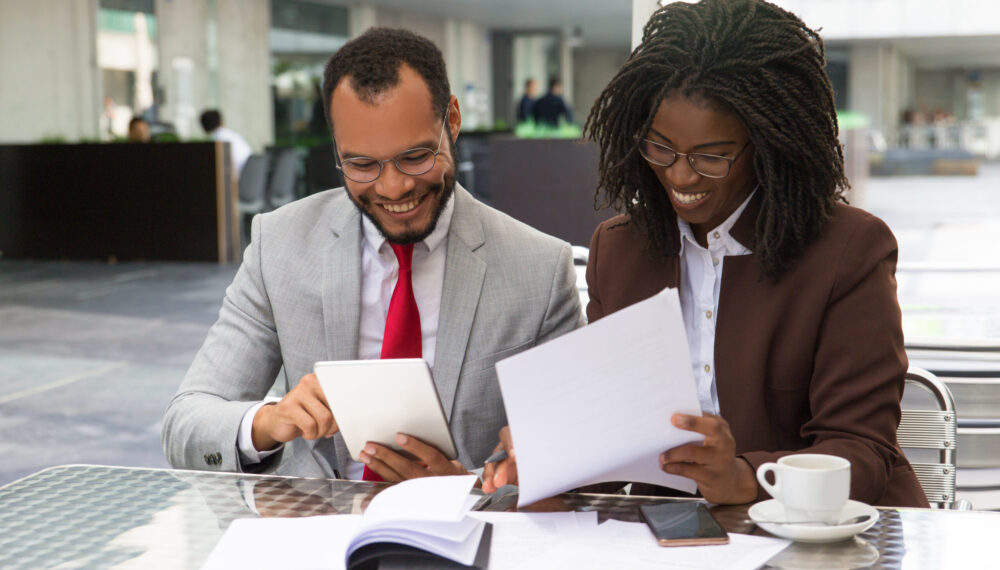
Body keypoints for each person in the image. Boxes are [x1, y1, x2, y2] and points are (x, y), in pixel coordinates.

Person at [485, 0, 928, 508]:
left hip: (823, 540)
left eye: (711, 156)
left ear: (768, 144)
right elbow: (616, 442)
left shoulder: (848, 251)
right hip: (672, 537)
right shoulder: (621, 249)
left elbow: (863, 454)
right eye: (659, 148)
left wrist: (746, 478)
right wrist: (550, 458)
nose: (680, 175)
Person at [162, 27, 583, 482]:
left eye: (416, 155)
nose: (393, 186)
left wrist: (465, 487)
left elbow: (573, 445)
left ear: (453, 120)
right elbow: (186, 425)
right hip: (313, 538)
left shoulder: (539, 269)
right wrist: (266, 421)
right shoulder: (279, 244)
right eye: (362, 165)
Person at [200, 109, 253, 178]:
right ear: (221, 121)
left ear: (204, 127)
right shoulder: (234, 136)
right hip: (251, 180)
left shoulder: (214, 142)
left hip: (234, 182)